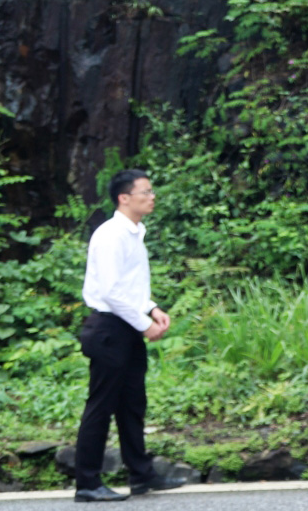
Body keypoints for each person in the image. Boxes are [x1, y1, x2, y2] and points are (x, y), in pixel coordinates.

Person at [73, 169, 186, 503]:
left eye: (151, 191)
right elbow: (109, 291)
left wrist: (152, 308)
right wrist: (143, 322)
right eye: (145, 192)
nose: (152, 197)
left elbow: (129, 284)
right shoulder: (111, 235)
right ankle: (87, 483)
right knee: (101, 406)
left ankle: (141, 474)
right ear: (124, 198)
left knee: (133, 403)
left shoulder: (136, 231)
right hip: (109, 328)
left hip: (127, 325)